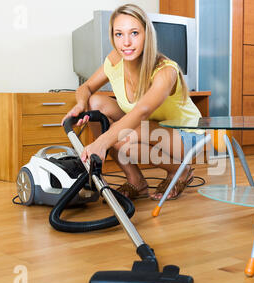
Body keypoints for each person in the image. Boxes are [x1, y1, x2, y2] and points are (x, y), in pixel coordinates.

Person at [62, 3, 204, 201]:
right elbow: (85, 88)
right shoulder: (114, 60)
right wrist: (80, 104)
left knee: (124, 137)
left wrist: (102, 142)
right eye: (119, 34)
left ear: (147, 35)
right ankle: (135, 180)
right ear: (112, 36)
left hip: (185, 135)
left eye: (134, 33)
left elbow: (142, 111)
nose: (126, 42)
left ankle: (180, 170)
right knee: (95, 102)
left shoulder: (165, 71)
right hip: (148, 127)